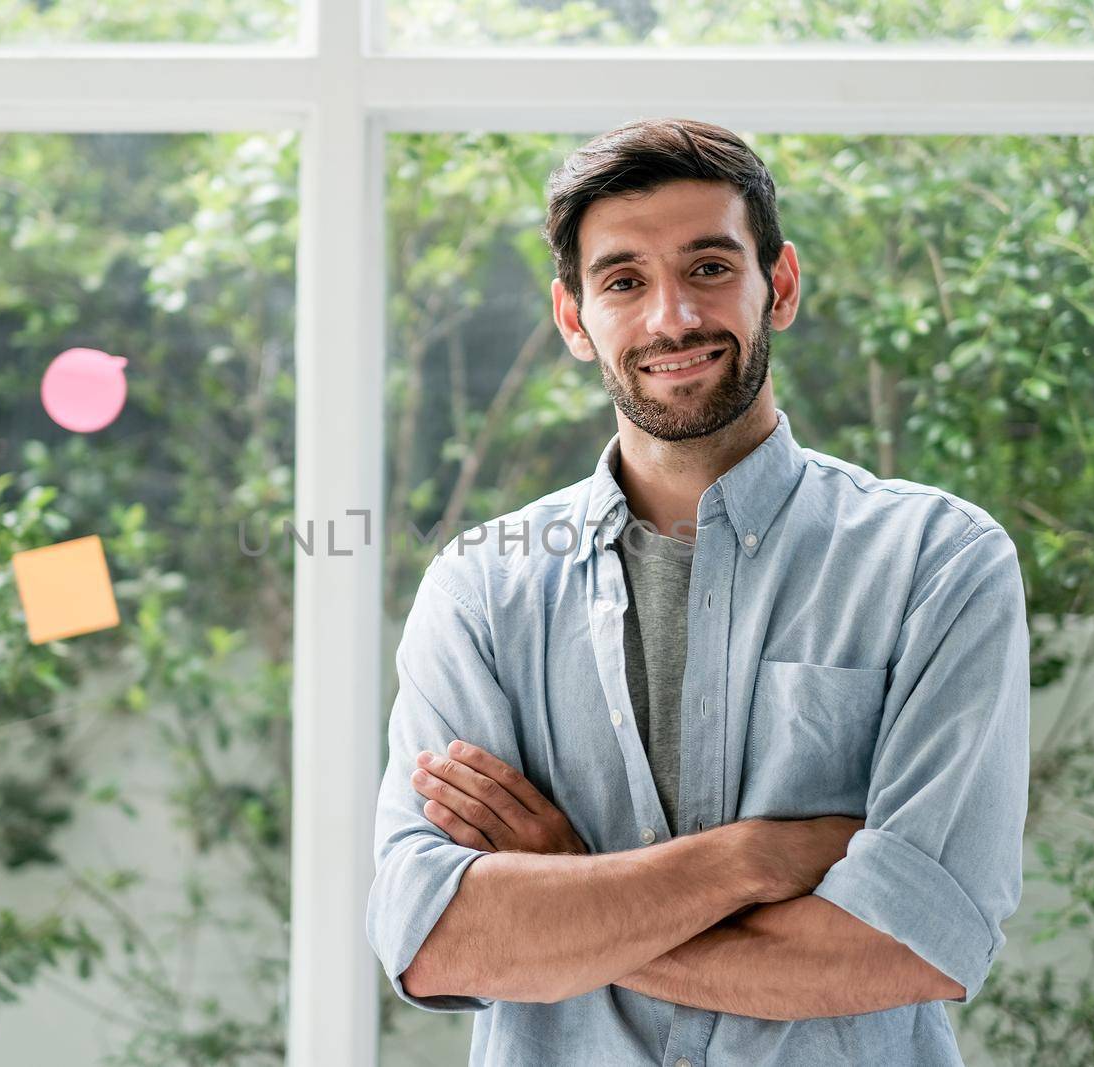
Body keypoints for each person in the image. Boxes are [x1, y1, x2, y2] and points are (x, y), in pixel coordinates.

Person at [365, 117, 1030, 1066]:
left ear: (781, 284)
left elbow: (905, 944)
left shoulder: (937, 562)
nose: (671, 318)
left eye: (711, 267)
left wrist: (572, 894)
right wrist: (753, 858)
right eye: (624, 281)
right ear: (573, 318)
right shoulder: (481, 589)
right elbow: (438, 941)